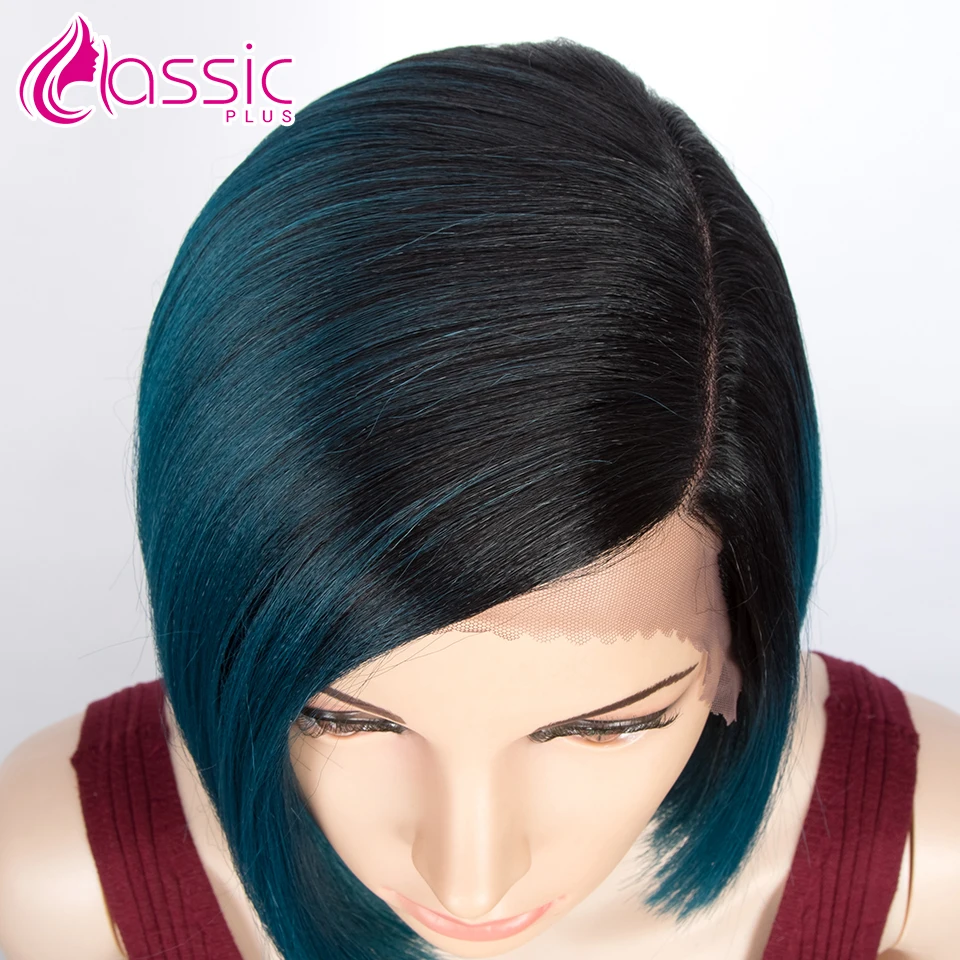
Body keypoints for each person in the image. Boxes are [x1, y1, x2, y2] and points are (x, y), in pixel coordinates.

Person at [0, 37, 957, 960]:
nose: (469, 882)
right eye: (344, 718)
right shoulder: (65, 875)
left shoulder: (930, 858)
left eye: (608, 725)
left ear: (745, 636)